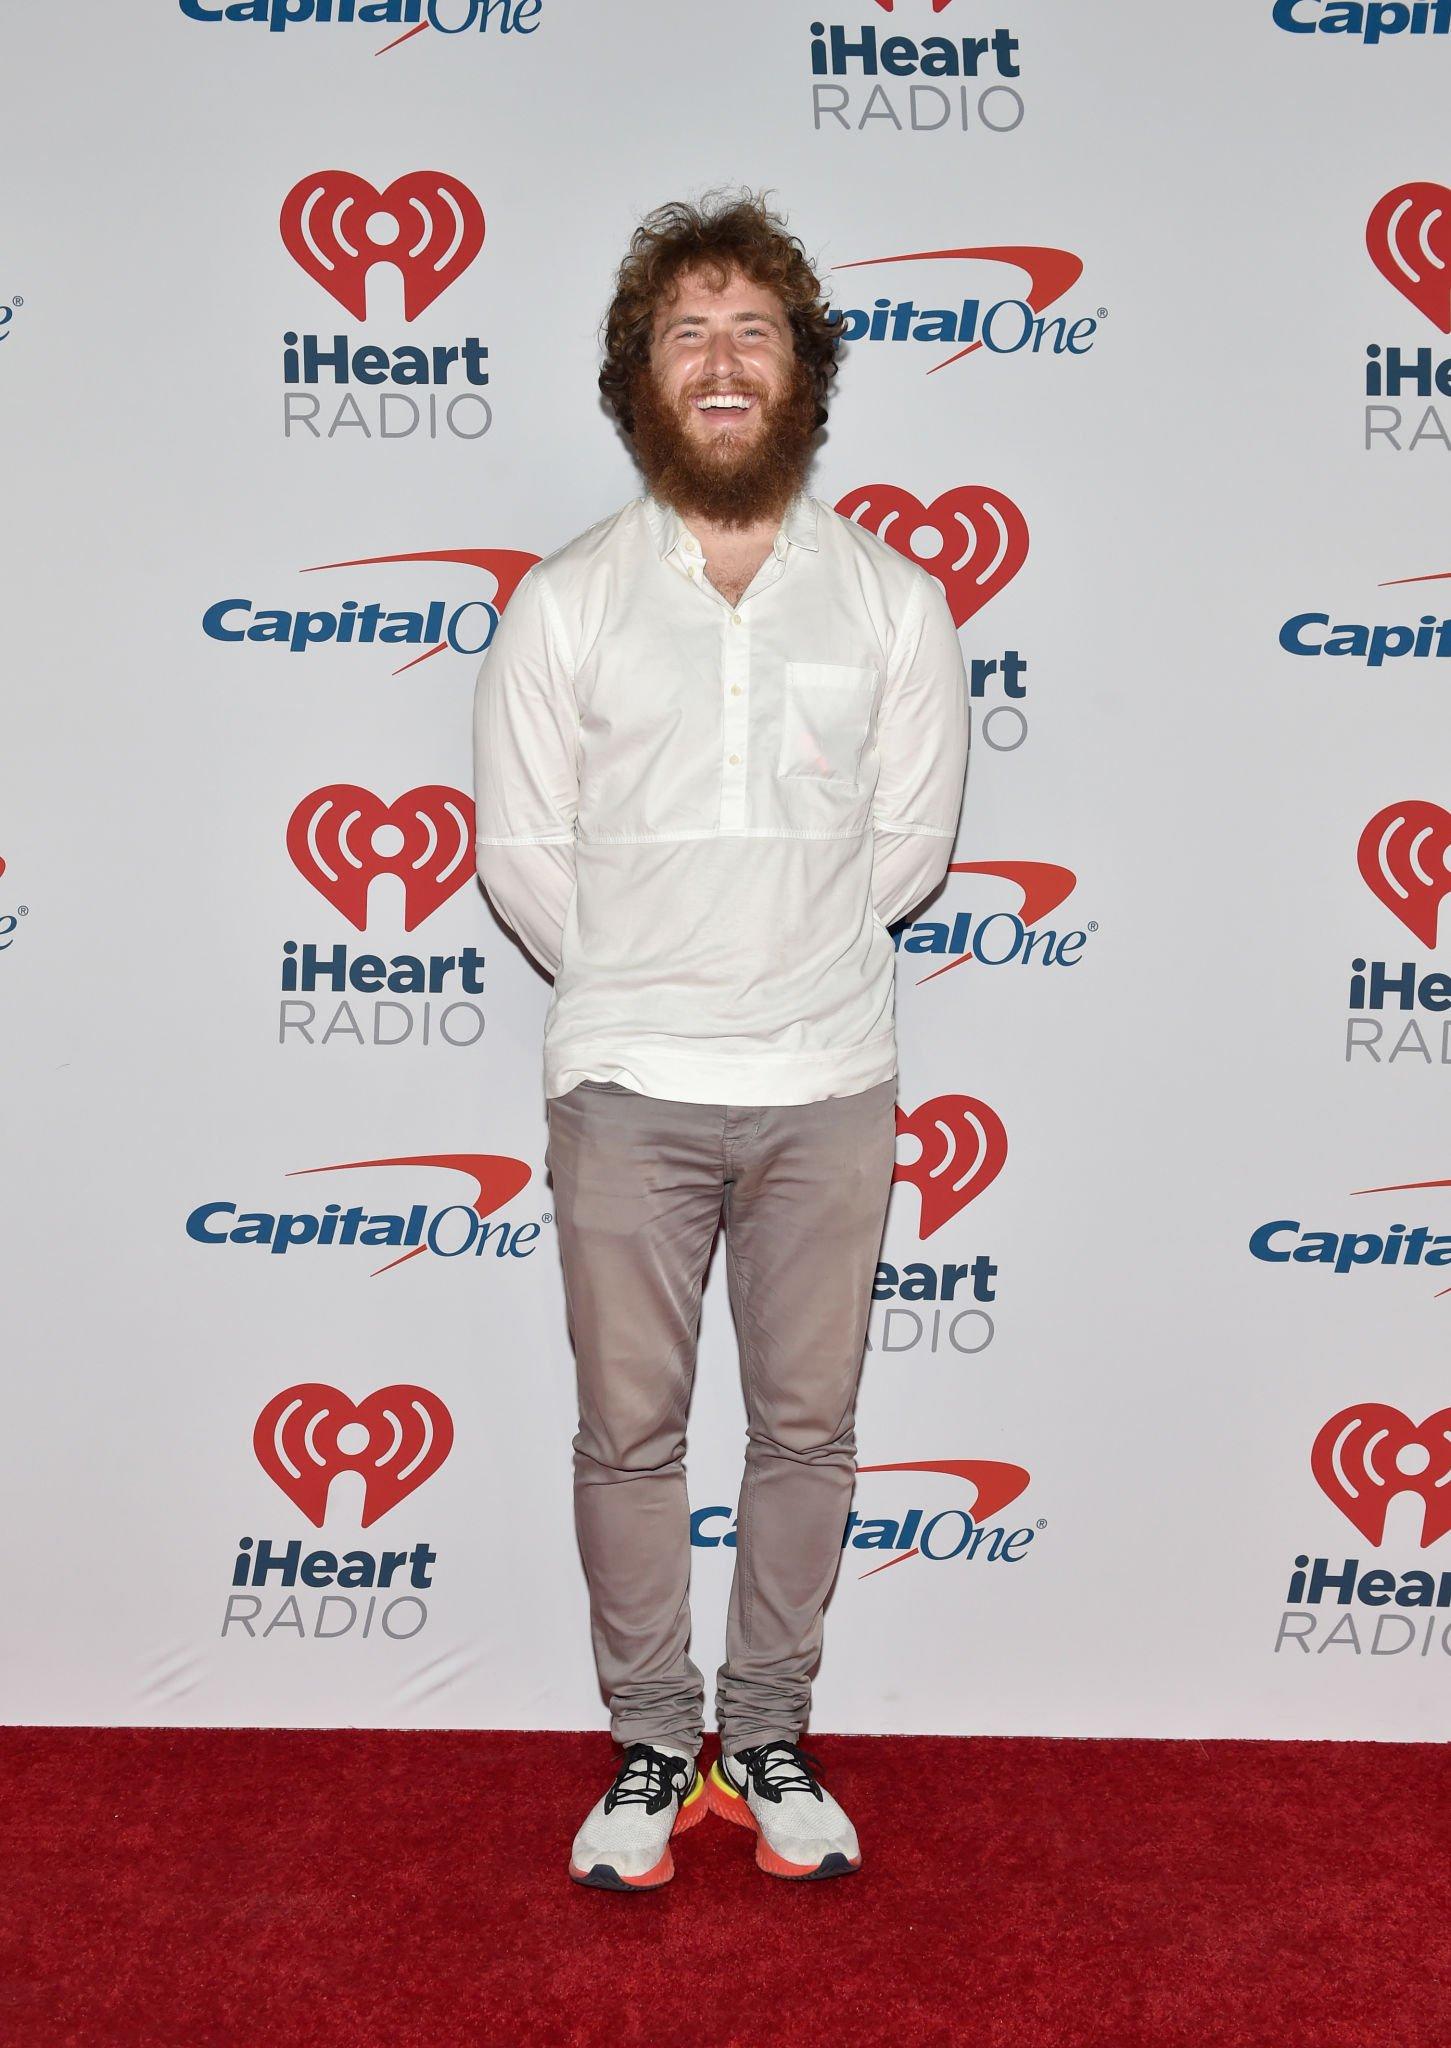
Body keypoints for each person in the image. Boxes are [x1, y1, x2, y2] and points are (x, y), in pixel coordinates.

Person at [472, 188, 970, 1890]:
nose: (723, 359)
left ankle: (768, 1731)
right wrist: (645, 983)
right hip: (624, 1088)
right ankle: (645, 1744)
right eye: (687, 332)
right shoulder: (565, 603)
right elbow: (521, 856)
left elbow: (908, 850)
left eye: (754, 328)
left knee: (809, 1433)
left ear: (804, 374)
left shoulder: (899, 604)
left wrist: (785, 968)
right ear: (640, 382)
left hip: (829, 1085)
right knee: (628, 1437)